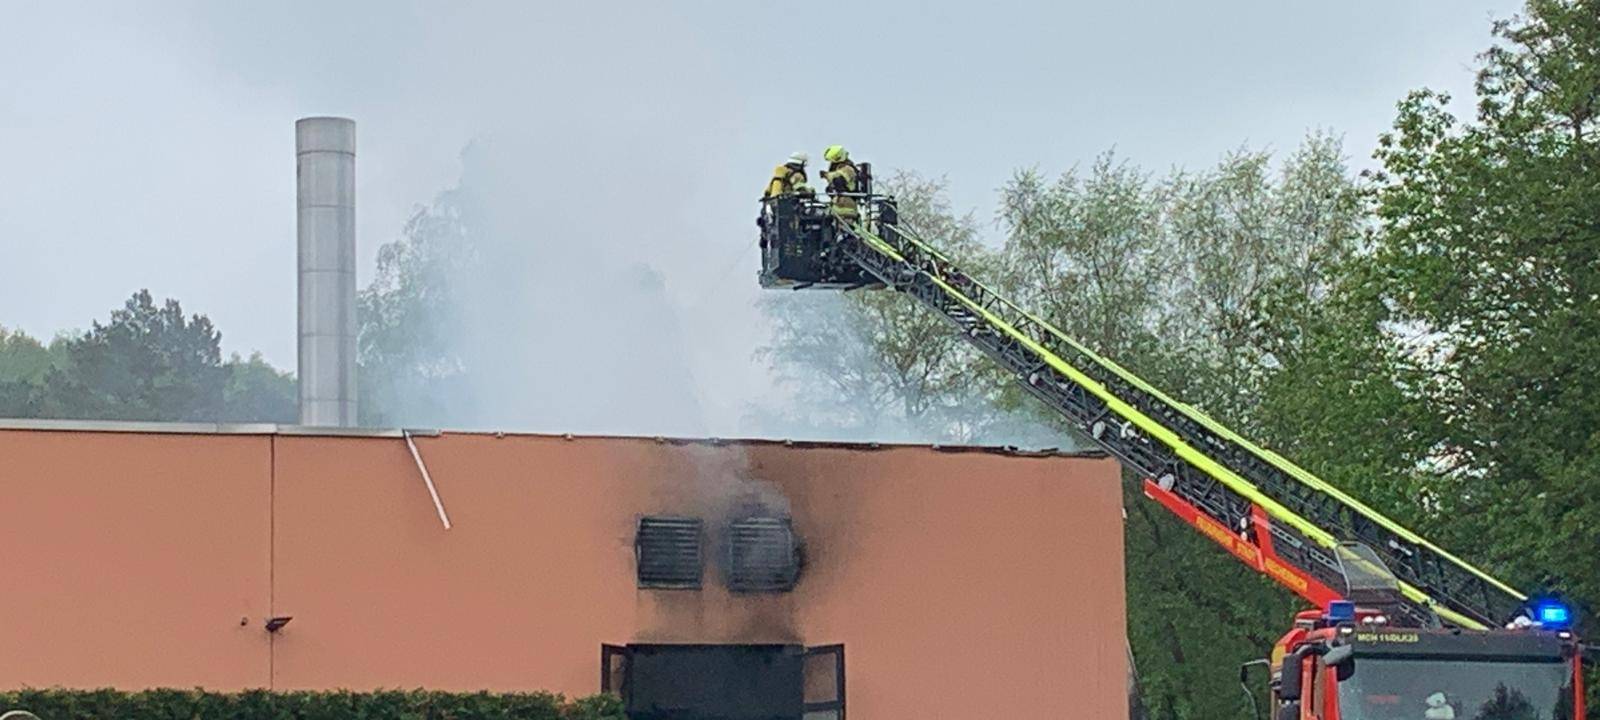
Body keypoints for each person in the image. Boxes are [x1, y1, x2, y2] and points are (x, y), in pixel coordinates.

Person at [821, 144, 860, 221]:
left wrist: (826, 175)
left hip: (847, 210)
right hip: (838, 210)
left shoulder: (848, 169)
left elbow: (839, 179)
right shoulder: (840, 168)